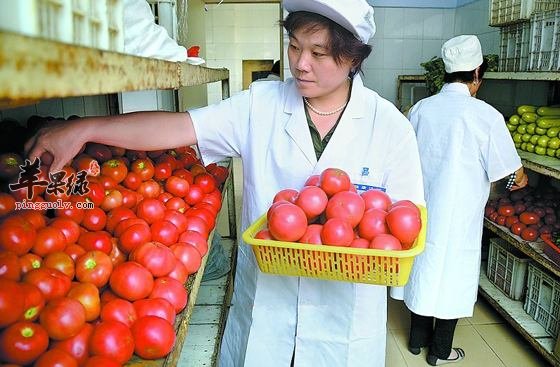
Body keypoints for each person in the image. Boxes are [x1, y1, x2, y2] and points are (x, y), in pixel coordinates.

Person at [26, 1, 425, 365]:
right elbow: (180, 127)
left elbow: (404, 232)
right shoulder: (260, 104)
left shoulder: (390, 127)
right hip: (266, 311)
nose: (300, 64)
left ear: (353, 57)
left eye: (318, 53)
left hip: (344, 324)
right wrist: (85, 128)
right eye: (294, 46)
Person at [398, 35, 528, 366]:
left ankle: (415, 341)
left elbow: (403, 162)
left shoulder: (421, 110)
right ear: (476, 74)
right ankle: (440, 351)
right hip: (461, 216)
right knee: (452, 276)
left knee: (422, 270)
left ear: (445, 72)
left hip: (420, 213)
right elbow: (512, 176)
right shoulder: (486, 116)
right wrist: (509, 184)